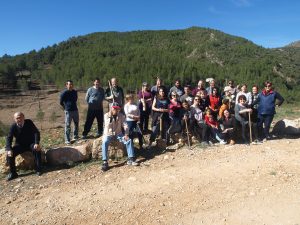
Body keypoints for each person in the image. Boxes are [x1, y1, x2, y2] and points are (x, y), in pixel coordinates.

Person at [101, 102, 139, 171]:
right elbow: (107, 125)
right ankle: (105, 162)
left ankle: (131, 159)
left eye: (118, 109)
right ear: (111, 108)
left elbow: (125, 125)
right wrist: (110, 116)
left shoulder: (121, 115)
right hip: (108, 134)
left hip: (118, 134)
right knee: (105, 142)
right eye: (115, 108)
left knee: (128, 140)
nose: (116, 110)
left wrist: (126, 134)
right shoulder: (106, 115)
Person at [6, 112, 42, 181]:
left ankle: (39, 168)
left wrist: (36, 143)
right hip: (20, 145)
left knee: (37, 149)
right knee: (10, 154)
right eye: (17, 118)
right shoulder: (13, 126)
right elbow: (9, 137)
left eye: (20, 117)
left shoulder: (29, 122)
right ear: (14, 119)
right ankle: (13, 173)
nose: (19, 119)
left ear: (23, 117)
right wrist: (9, 149)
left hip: (31, 143)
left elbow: (36, 132)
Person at [60, 80, 79, 144]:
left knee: (76, 124)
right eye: (69, 84)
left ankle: (75, 136)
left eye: (71, 84)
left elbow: (75, 99)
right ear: (66, 85)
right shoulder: (64, 93)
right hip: (68, 111)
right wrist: (65, 108)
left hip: (75, 110)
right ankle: (67, 139)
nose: (70, 86)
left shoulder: (74, 92)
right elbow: (61, 102)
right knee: (68, 125)